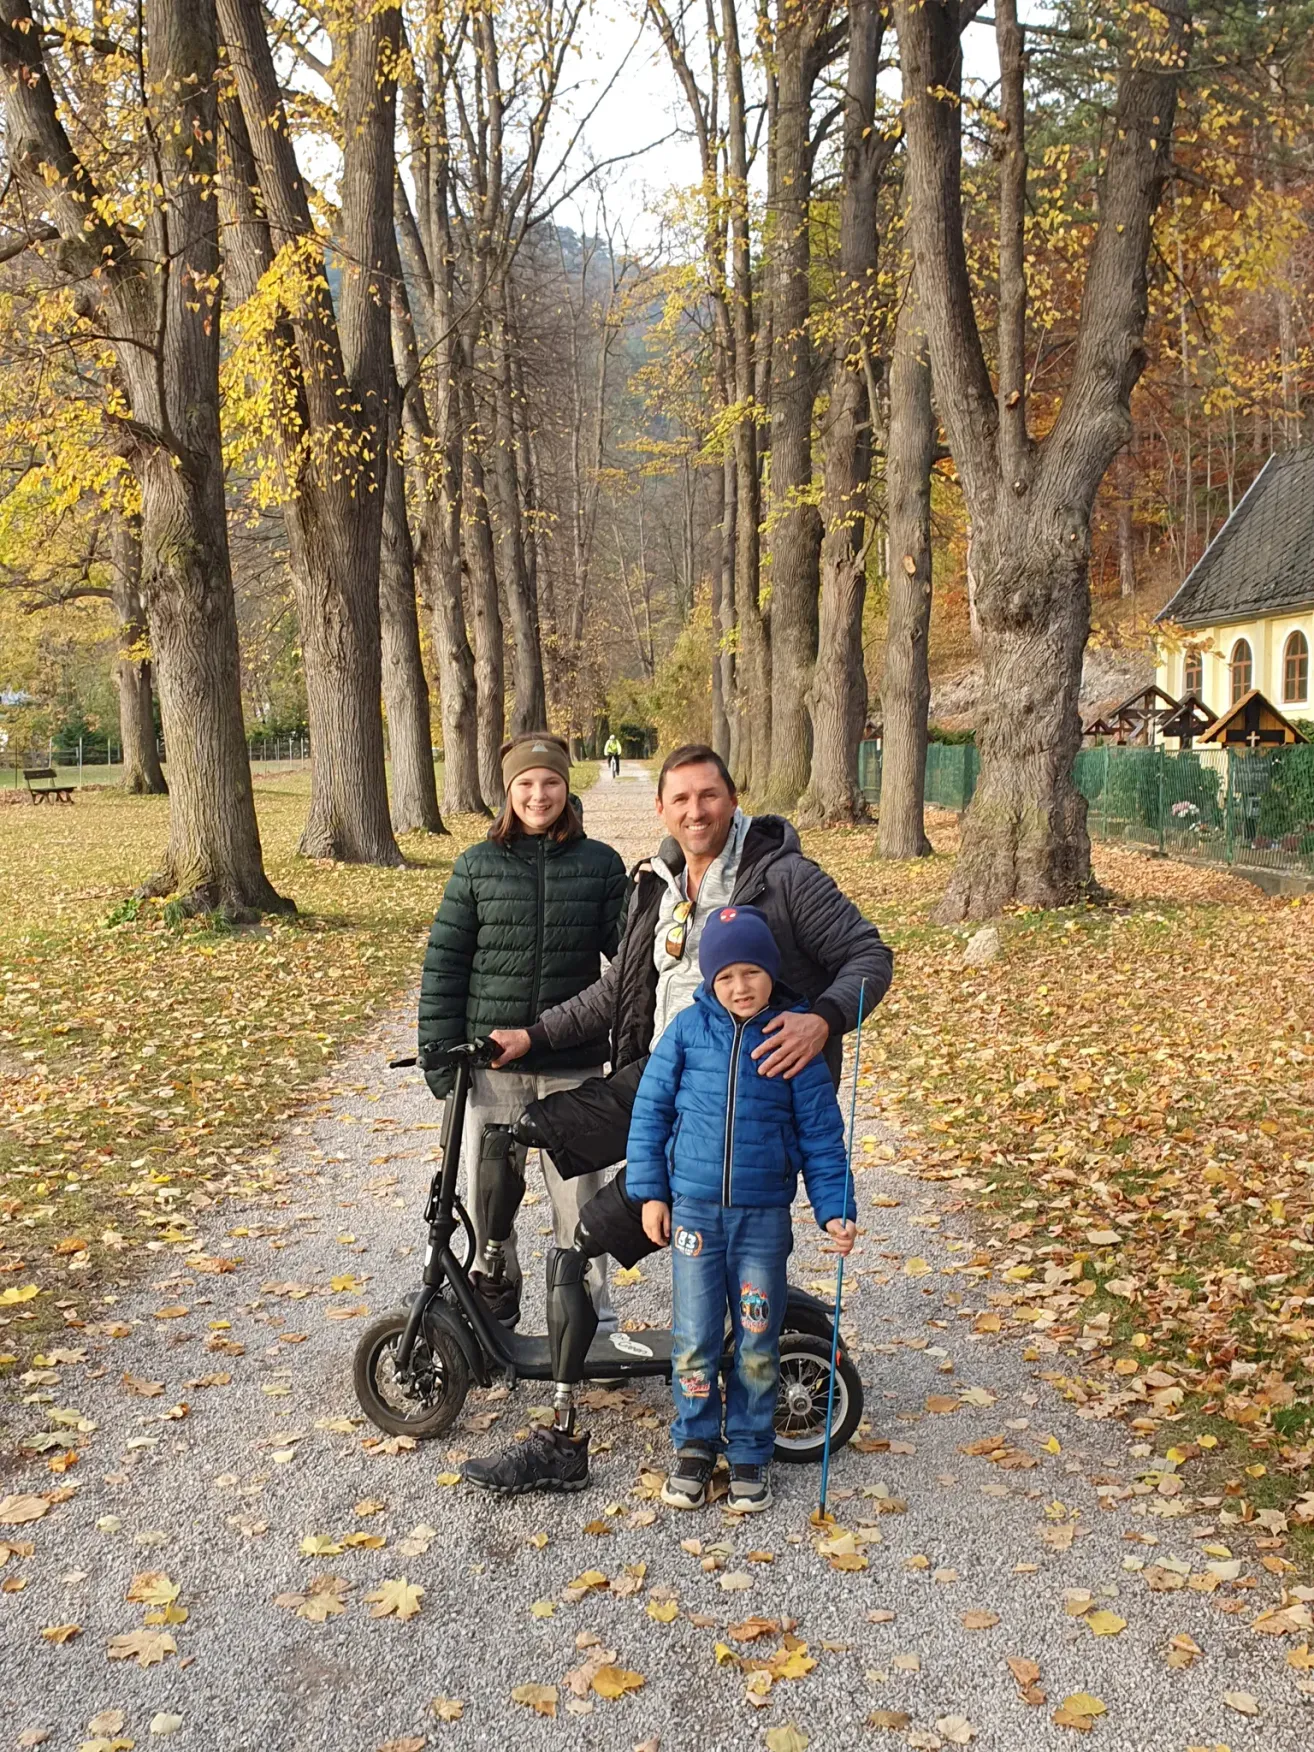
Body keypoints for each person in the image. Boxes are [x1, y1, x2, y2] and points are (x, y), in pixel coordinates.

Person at [460, 744, 891, 1494]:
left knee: (587, 1236)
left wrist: (821, 1021)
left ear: (733, 799)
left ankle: (564, 1434)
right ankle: (492, 1271)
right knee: (518, 1131)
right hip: (652, 1080)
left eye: (709, 796)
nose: (696, 812)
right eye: (681, 800)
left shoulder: (782, 878)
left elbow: (867, 956)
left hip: (732, 1108)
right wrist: (532, 1035)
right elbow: (612, 994)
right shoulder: (657, 885)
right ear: (661, 809)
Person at [627, 904, 857, 1513]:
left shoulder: (792, 1037)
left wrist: (833, 1208)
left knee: (757, 1338)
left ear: (771, 972)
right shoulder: (684, 1031)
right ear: (708, 979)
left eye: (751, 972)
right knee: (696, 1338)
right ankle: (696, 1444)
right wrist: (652, 1192)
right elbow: (650, 1113)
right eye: (725, 976)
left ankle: (752, 1449)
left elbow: (821, 1135)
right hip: (695, 1219)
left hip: (762, 1223)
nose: (739, 986)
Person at [418, 732, 627, 1329]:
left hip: (574, 1068)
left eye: (552, 782)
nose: (540, 795)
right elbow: (446, 964)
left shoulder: (601, 866)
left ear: (568, 787)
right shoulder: (476, 867)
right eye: (526, 784)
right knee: (491, 1206)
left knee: (583, 1204)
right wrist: (441, 1062)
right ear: (508, 792)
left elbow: (630, 967)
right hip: (492, 1071)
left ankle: (588, 1320)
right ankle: (494, 1307)